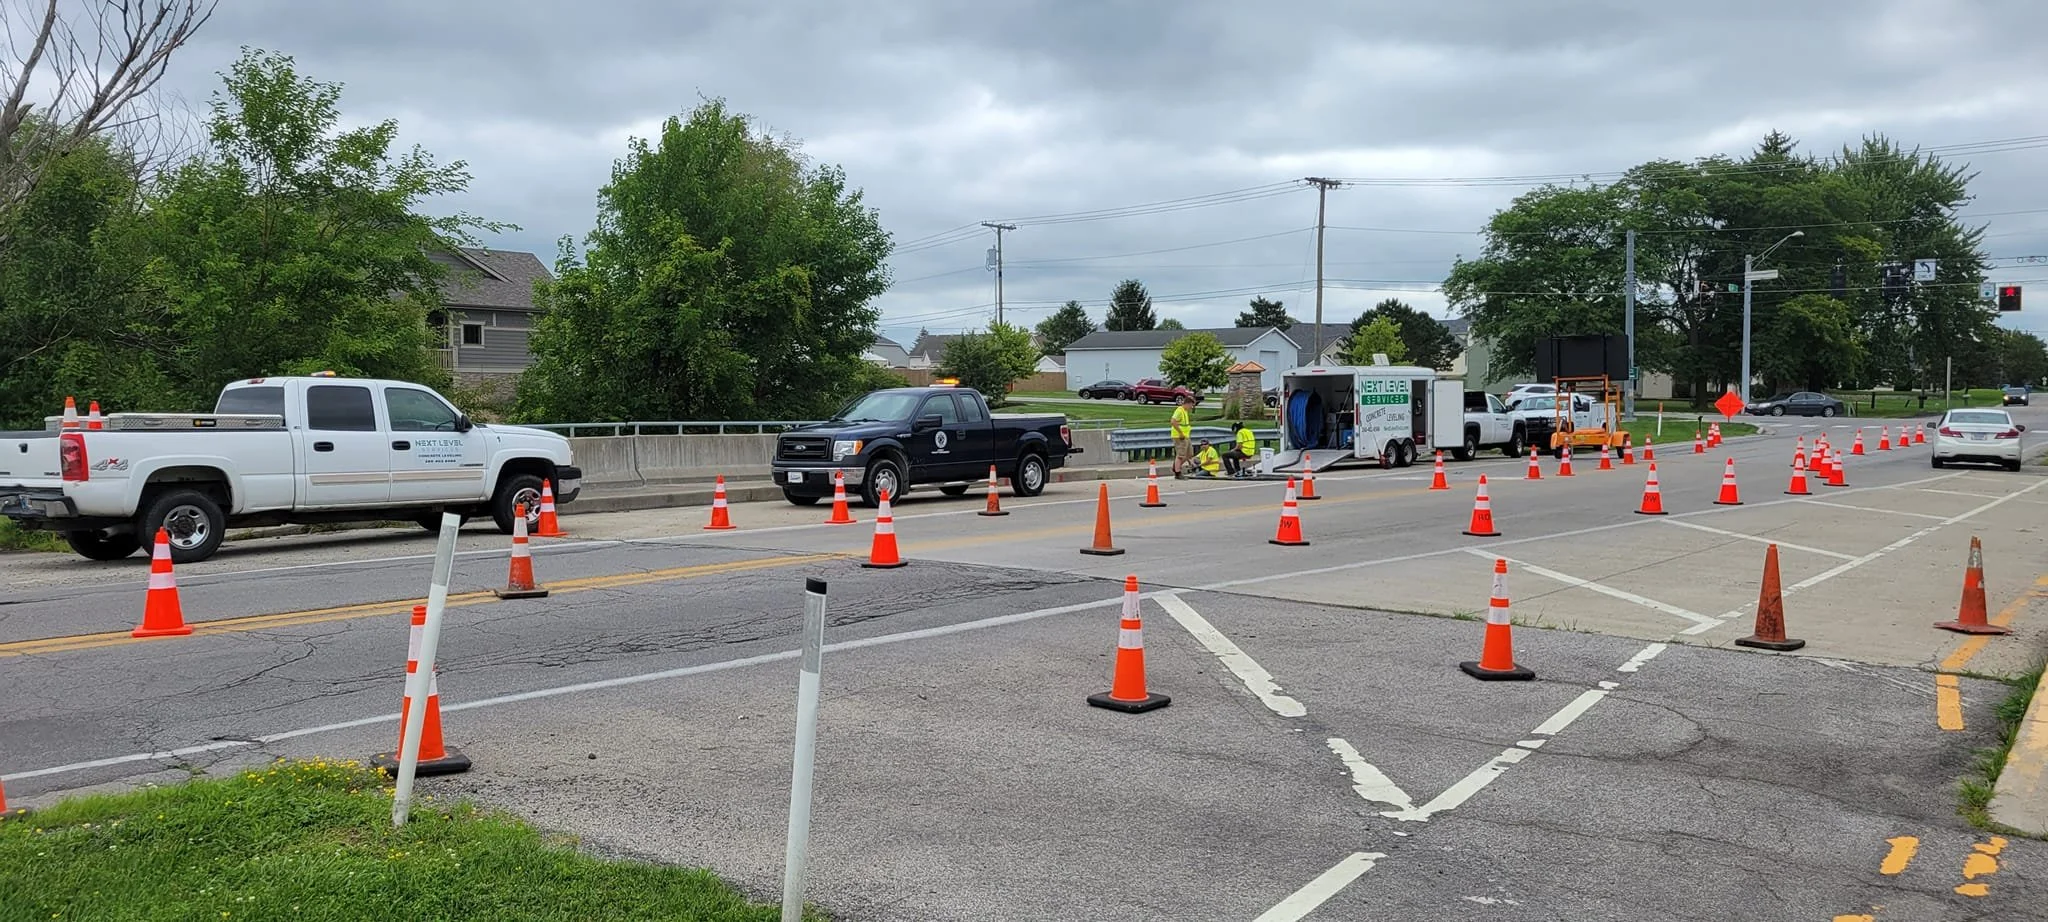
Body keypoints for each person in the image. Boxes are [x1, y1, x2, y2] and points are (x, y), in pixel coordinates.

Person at [1169, 393, 1195, 478]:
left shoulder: (1185, 411)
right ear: (1187, 403)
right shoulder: (1179, 410)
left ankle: (1175, 466)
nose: (1192, 407)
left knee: (1189, 454)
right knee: (1180, 455)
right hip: (1180, 436)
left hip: (1186, 436)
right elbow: (1173, 421)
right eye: (1191, 405)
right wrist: (1180, 433)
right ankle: (1177, 472)